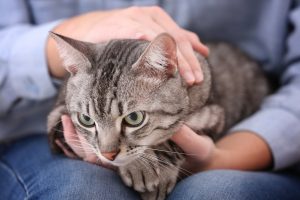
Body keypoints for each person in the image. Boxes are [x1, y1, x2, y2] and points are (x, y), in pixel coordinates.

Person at [1, 1, 300, 200]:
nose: (108, 150)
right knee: (82, 191)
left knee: (217, 192)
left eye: (131, 118)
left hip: (255, 130)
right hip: (28, 134)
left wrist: (227, 157)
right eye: (89, 119)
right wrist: (68, 34)